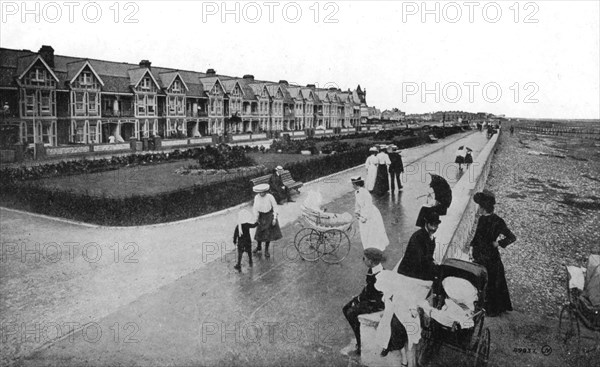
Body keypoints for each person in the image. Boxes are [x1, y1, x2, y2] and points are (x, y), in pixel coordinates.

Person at [470, 190, 517, 317]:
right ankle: (494, 308)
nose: (479, 209)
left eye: (480, 206)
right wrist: (499, 243)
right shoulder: (497, 220)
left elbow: (512, 237)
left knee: (487, 282)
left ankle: (488, 309)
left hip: (485, 257)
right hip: (490, 256)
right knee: (494, 282)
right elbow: (511, 237)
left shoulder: (484, 220)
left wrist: (498, 243)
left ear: (484, 207)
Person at [342, 248, 386, 355]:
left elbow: (371, 295)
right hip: (369, 299)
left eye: (364, 258)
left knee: (351, 313)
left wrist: (357, 300)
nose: (363, 260)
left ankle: (360, 342)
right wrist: (357, 299)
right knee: (346, 308)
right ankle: (359, 339)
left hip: (375, 304)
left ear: (370, 261)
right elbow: (367, 290)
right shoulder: (374, 269)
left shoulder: (378, 275)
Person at [398, 210, 441, 281]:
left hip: (419, 267)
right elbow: (419, 261)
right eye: (431, 225)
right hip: (409, 271)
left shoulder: (430, 236)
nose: (434, 228)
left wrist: (433, 262)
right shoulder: (418, 238)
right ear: (426, 223)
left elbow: (428, 257)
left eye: (436, 226)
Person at [352, 176, 389, 251]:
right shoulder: (356, 192)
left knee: (372, 232)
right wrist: (357, 211)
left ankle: (376, 248)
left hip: (371, 214)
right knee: (365, 232)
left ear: (356, 184)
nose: (352, 186)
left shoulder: (365, 192)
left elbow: (368, 205)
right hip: (363, 213)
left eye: (353, 184)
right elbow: (357, 204)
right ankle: (368, 248)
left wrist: (364, 217)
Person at [252, 183, 283, 257]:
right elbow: (255, 208)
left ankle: (266, 250)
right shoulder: (256, 197)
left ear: (266, 191)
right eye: (260, 192)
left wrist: (274, 218)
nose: (261, 193)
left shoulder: (270, 197)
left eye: (263, 192)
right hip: (261, 216)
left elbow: (275, 206)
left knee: (267, 234)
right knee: (259, 233)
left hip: (269, 216)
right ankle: (259, 247)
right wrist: (256, 218)